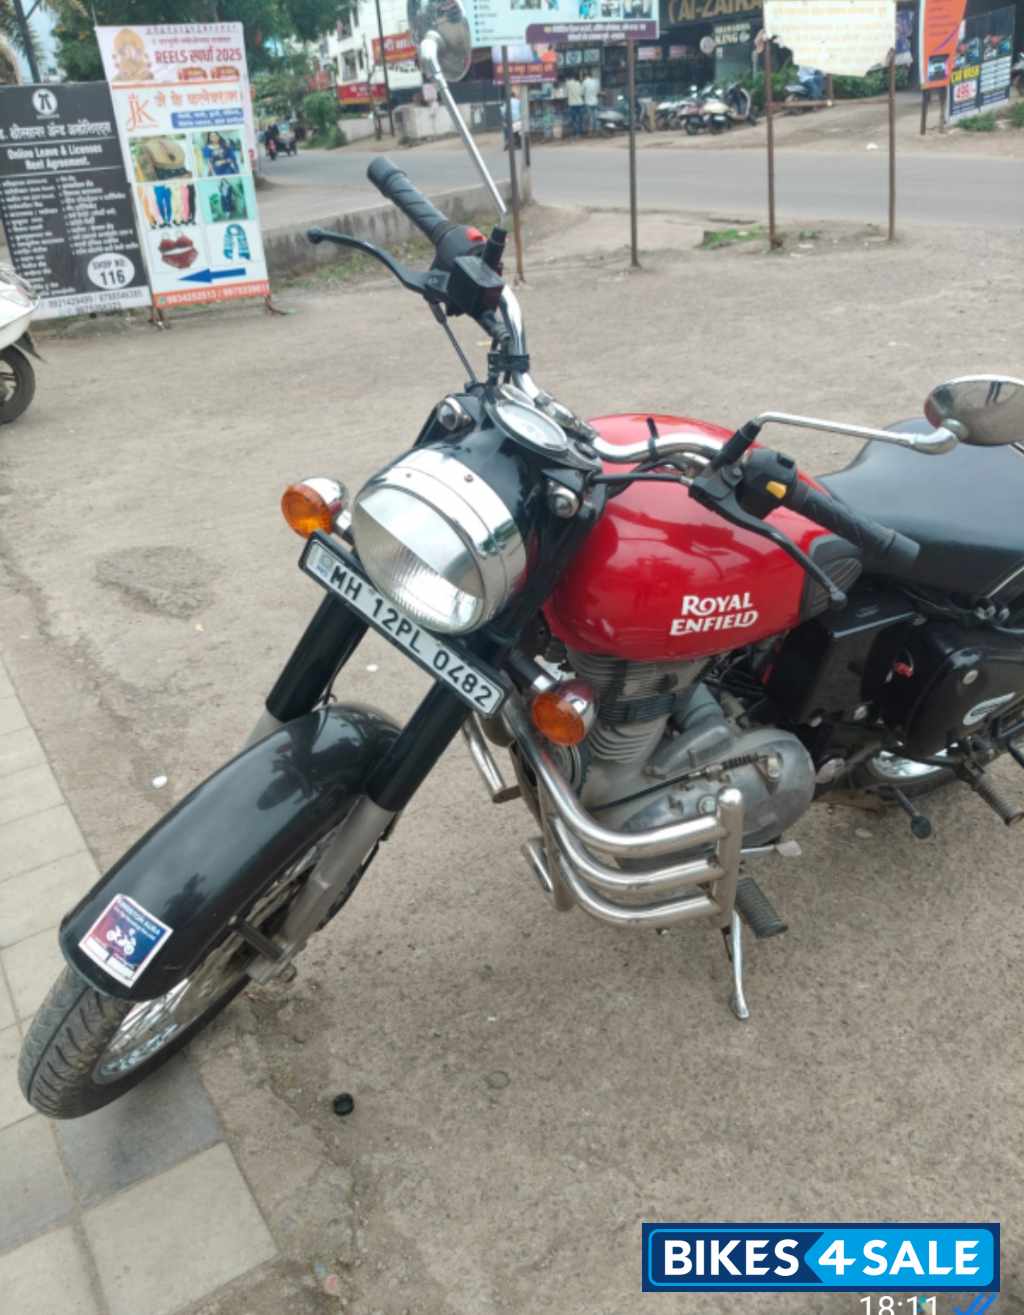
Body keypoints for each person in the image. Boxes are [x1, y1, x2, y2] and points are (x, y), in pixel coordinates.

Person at [565, 71, 584, 137]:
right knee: (579, 119)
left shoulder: (567, 83)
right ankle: (579, 133)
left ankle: (575, 133)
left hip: (572, 104)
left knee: (574, 120)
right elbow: (582, 93)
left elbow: (566, 93)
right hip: (580, 103)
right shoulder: (579, 83)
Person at [582, 68, 600, 135]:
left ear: (585, 76)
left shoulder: (584, 82)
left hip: (588, 102)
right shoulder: (595, 81)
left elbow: (582, 93)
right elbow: (597, 92)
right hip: (595, 101)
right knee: (596, 117)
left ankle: (590, 132)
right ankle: (597, 130)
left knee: (590, 117)